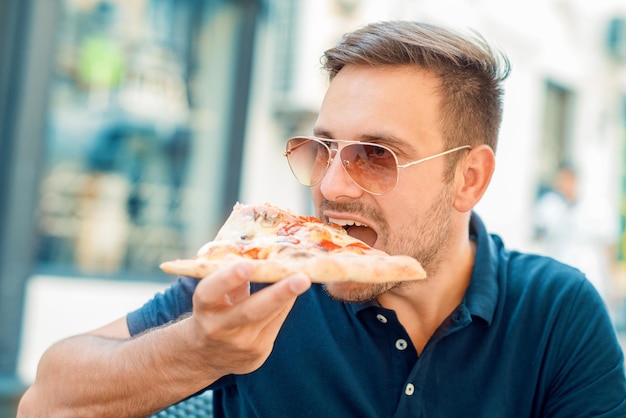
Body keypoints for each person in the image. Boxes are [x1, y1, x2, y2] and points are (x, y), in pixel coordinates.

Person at [18, 21, 626, 417]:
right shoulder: (264, 276)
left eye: (375, 156)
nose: (331, 186)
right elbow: (44, 401)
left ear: (469, 178)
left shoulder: (554, 311)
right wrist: (198, 351)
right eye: (323, 149)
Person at [533, 164, 614, 301]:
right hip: (557, 274)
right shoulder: (549, 204)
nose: (563, 184)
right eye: (560, 180)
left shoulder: (596, 207)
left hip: (590, 275)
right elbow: (538, 236)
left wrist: (610, 280)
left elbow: (608, 246)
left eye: (567, 179)